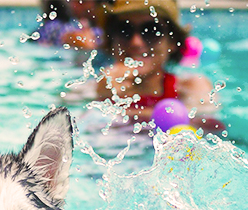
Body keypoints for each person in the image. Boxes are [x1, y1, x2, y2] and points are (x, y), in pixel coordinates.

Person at [96, 0, 224, 135]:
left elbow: (209, 127)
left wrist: (109, 111)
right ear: (111, 41)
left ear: (172, 42)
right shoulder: (94, 88)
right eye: (124, 30)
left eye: (151, 31)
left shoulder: (190, 88)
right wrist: (102, 98)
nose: (136, 42)